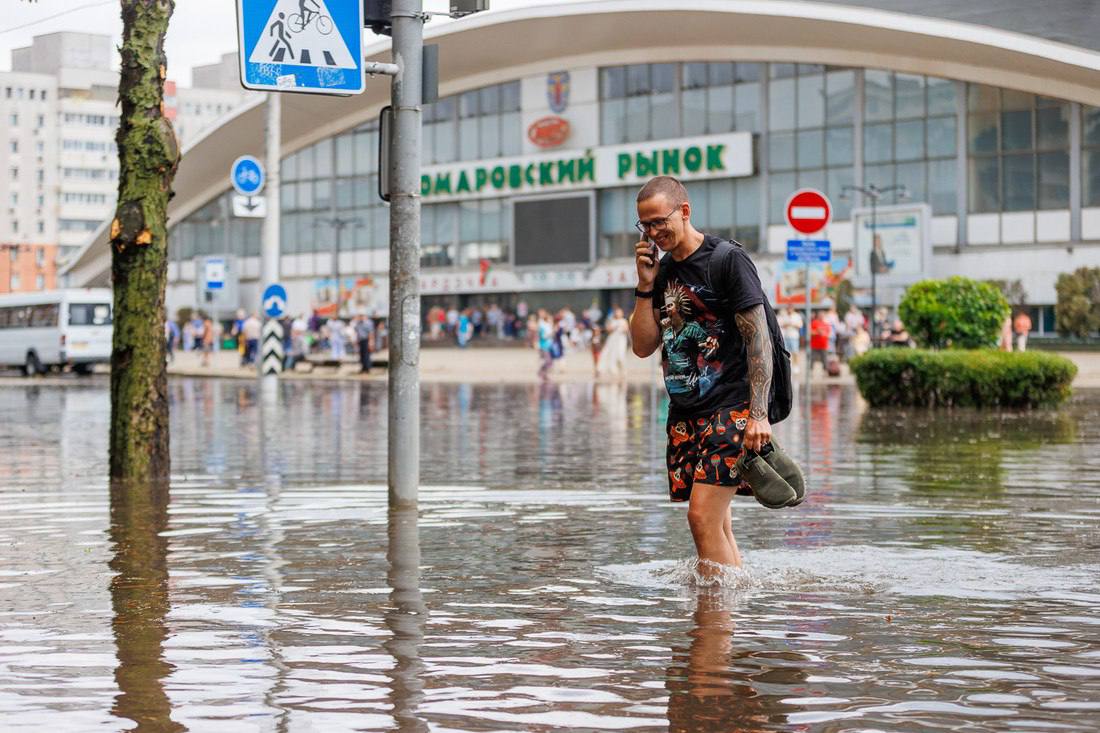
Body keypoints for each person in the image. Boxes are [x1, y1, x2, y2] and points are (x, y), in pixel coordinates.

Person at [628, 175, 784, 576]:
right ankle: (730, 618)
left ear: (684, 211)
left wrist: (759, 414)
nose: (653, 233)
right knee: (717, 520)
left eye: (659, 221)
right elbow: (643, 346)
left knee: (701, 518)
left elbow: (758, 340)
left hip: (731, 406)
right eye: (644, 225)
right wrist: (645, 287)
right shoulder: (661, 273)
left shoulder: (727, 260)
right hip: (685, 412)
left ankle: (714, 620)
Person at [596, 306, 630, 378]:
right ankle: (607, 369)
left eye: (619, 312)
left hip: (621, 339)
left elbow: (626, 329)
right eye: (617, 312)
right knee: (608, 353)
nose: (618, 314)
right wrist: (614, 327)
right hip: (612, 338)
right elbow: (608, 329)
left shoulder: (624, 321)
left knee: (620, 354)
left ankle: (622, 370)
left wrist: (622, 328)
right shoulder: (612, 320)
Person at [777, 306, 803, 373]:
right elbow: (780, 324)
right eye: (788, 309)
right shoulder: (784, 316)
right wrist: (786, 324)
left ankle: (796, 366)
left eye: (790, 308)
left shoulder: (797, 316)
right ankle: (787, 366)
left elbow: (800, 325)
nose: (789, 310)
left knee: (795, 352)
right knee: (786, 353)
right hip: (785, 336)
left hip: (794, 336)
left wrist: (792, 324)